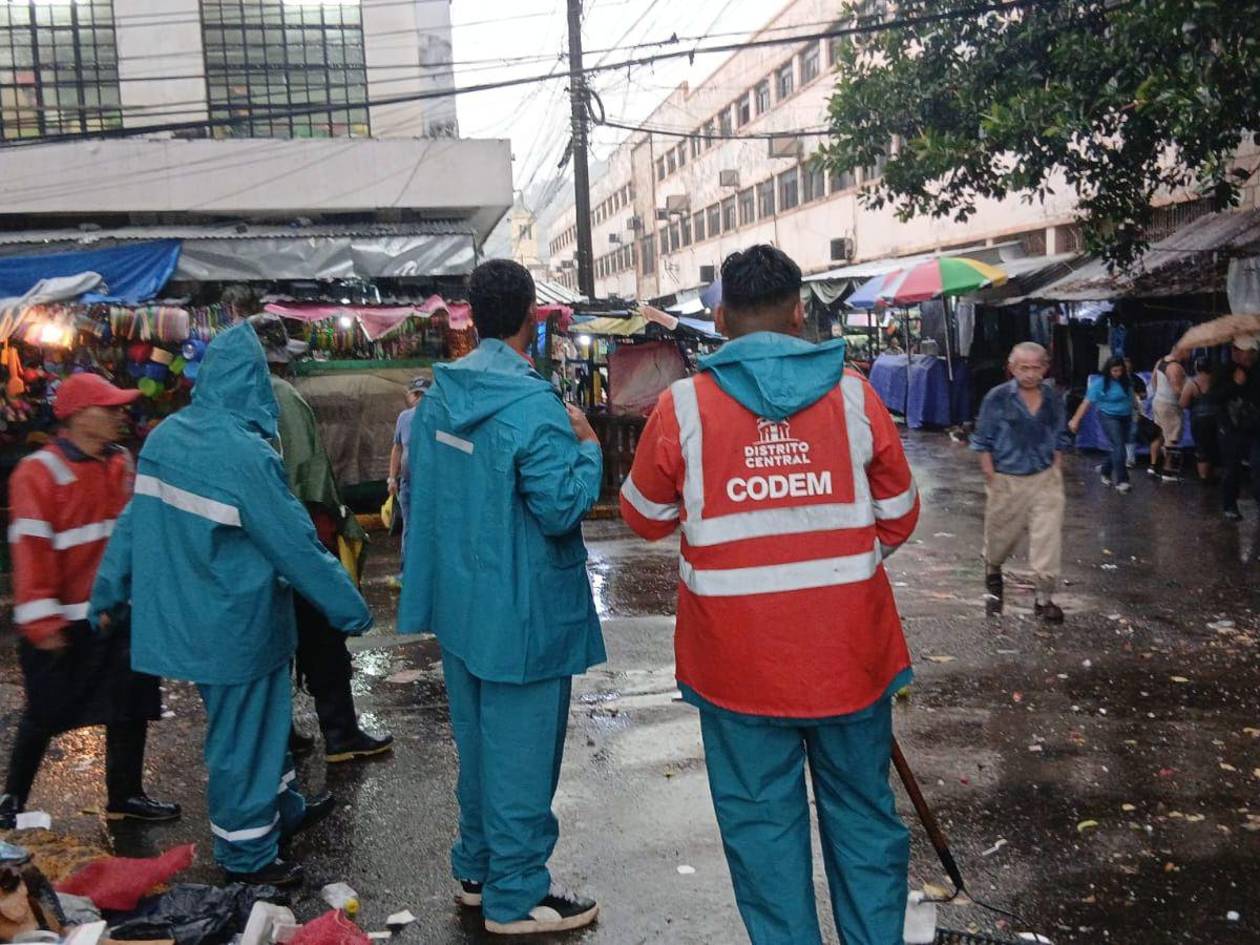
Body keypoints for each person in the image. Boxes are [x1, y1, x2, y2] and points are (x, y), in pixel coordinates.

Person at [620, 245, 921, 945]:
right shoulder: (854, 395)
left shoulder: (682, 407)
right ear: (798, 314)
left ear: (721, 318)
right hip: (852, 658)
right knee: (864, 821)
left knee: (763, 833)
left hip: (735, 667)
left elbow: (644, 517)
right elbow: (900, 512)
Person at [91, 324, 372, 888]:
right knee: (242, 740)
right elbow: (295, 544)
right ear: (254, 385)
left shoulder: (167, 438)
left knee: (262, 730)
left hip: (204, 622)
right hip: (237, 628)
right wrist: (350, 609)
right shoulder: (245, 454)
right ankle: (247, 855)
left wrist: (107, 588)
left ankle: (280, 811)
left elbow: (132, 525)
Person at [397, 259, 605, 935]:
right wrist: (590, 448)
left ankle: (480, 869)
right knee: (518, 755)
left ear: (473, 316)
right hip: (523, 614)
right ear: (528, 318)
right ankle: (516, 897)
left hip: (462, 606)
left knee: (481, 748)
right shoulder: (532, 405)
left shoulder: (438, 399)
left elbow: (424, 498)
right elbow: (560, 506)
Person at [0, 375, 180, 829]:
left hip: (118, 612)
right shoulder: (38, 473)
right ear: (79, 416)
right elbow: (32, 552)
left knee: (131, 706)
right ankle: (11, 800)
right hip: (67, 622)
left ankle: (126, 795)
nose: (122, 416)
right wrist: (43, 624)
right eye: (111, 408)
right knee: (44, 714)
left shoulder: (120, 462)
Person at [247, 314, 393, 765]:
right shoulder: (283, 397)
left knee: (273, 641)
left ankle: (281, 733)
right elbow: (307, 477)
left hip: (255, 542)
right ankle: (340, 734)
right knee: (323, 638)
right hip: (298, 533)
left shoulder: (232, 401)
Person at [973, 342, 1070, 621]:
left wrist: (1056, 468)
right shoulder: (997, 397)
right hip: (1006, 477)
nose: (1029, 374)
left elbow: (1061, 435)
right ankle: (993, 569)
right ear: (1012, 368)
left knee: (1047, 536)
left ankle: (1044, 599)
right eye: (1023, 367)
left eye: (1035, 367)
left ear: (1045, 368)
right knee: (1000, 537)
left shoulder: (1053, 399)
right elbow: (982, 440)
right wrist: (990, 475)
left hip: (1044, 477)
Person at [1069, 356, 1137, 494]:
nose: (1117, 374)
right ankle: (1122, 480)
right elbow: (1086, 403)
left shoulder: (1126, 381)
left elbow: (1131, 397)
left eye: (1120, 370)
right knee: (1119, 446)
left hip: (1126, 416)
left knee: (1118, 448)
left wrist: (1136, 410)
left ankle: (1105, 470)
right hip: (1108, 416)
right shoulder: (1099, 384)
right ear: (1108, 370)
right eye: (1115, 371)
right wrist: (1076, 419)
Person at [386, 376, 431, 587]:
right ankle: (407, 574)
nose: (420, 399)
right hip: (408, 484)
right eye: (417, 394)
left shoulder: (438, 418)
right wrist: (391, 478)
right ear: (410, 397)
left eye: (424, 395)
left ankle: (428, 574)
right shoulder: (404, 418)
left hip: (431, 485)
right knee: (410, 527)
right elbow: (397, 449)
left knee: (430, 527)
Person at [1213, 334, 1260, 520]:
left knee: (1257, 465)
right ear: (1235, 351)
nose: (1248, 356)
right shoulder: (1225, 371)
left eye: (1252, 352)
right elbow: (1214, 397)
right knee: (1232, 468)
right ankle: (1229, 504)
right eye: (1245, 352)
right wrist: (1235, 384)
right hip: (1231, 427)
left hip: (1256, 426)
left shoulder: (1257, 370)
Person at [1149, 350, 1187, 480]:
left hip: (1158, 401)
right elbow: (1177, 391)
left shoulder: (1161, 361)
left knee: (1158, 434)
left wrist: (1157, 394)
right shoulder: (1175, 367)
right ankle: (1168, 471)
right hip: (1170, 405)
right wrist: (1184, 403)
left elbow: (1153, 379)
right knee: (1172, 436)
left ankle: (1153, 466)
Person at [1180, 357, 1219, 481]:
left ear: (1197, 368)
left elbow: (1183, 403)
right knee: (1213, 445)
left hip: (1199, 419)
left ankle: (1203, 477)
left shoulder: (1192, 383)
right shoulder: (1216, 381)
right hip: (1216, 418)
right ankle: (1212, 473)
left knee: (1201, 447)